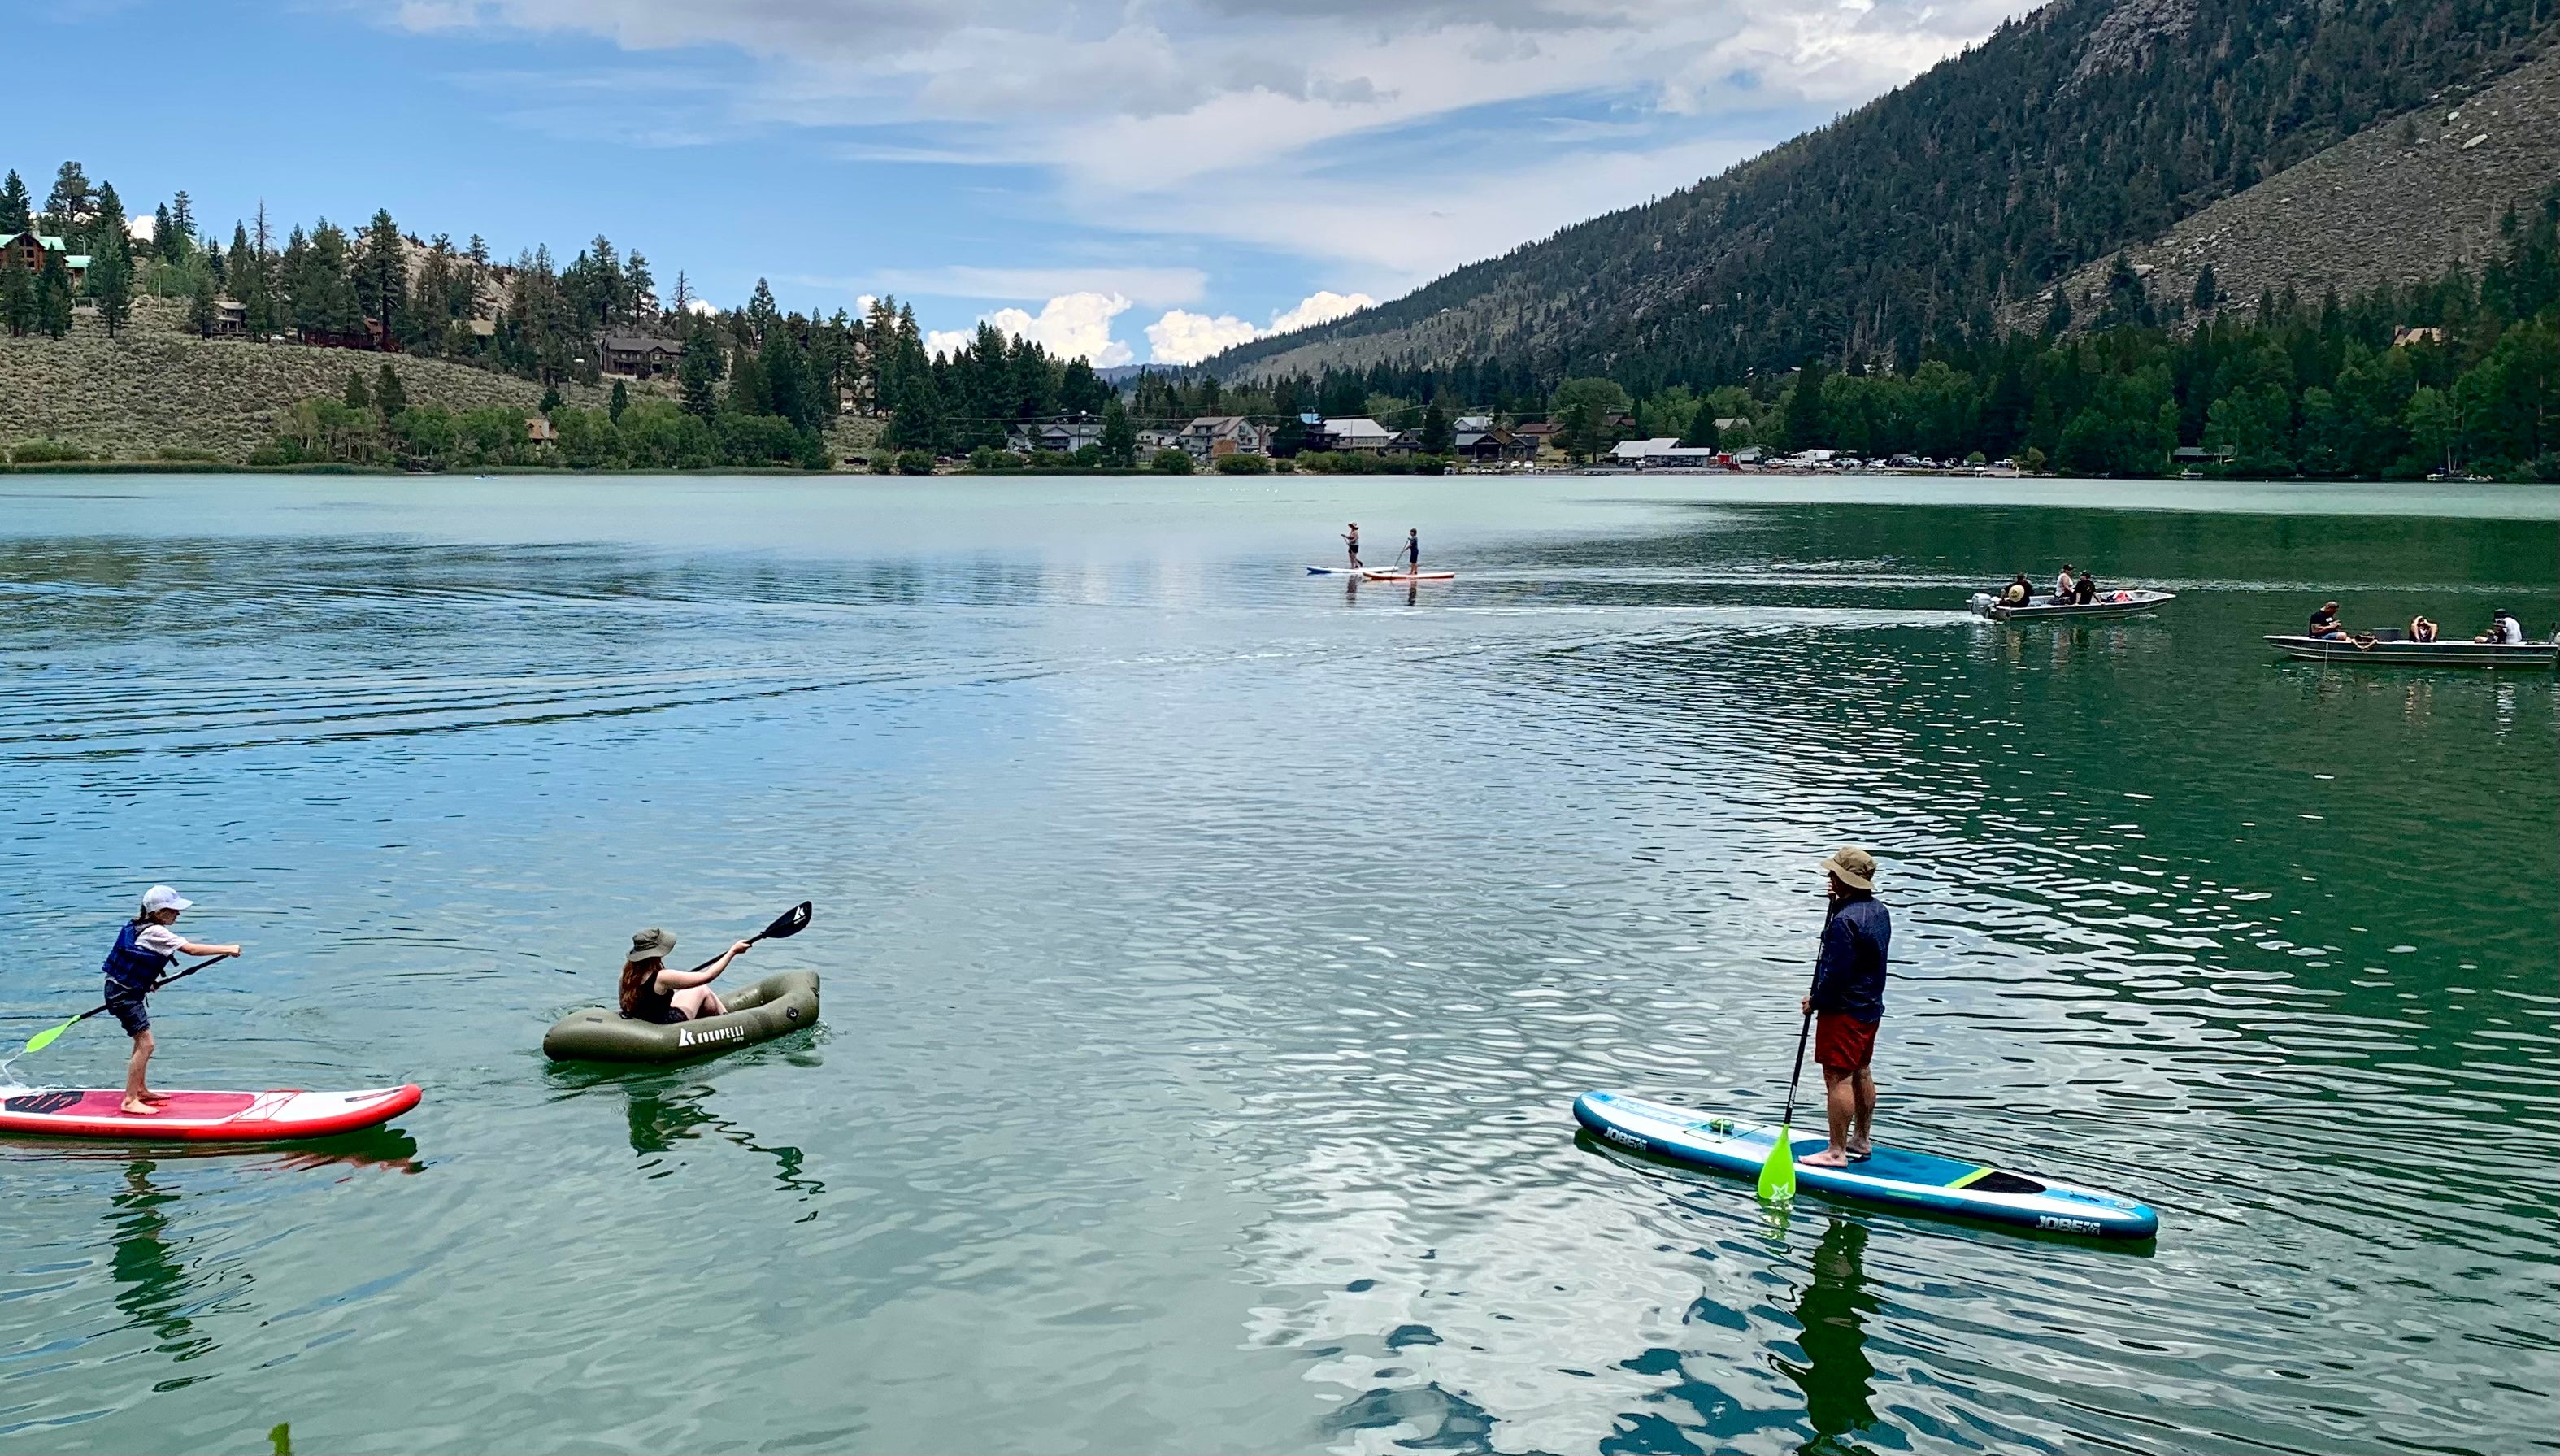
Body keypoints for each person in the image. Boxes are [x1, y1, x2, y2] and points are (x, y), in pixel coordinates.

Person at [101, 886, 241, 1115]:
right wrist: (227, 949)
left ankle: (141, 1089)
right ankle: (129, 1100)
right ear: (159, 912)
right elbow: (191, 950)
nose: (178, 914)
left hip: (126, 989)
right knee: (147, 1043)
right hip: (123, 994)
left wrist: (147, 982)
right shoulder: (156, 932)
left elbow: (135, 961)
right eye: (173, 910)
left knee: (140, 1042)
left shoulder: (139, 927)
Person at [1799, 847, 1890, 1169]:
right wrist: (1837, 904)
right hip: (1869, 1008)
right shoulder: (1878, 910)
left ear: (1844, 879)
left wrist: (1816, 1001)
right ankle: (1861, 1139)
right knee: (1861, 1069)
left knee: (1837, 1078)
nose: (1829, 877)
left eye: (1834, 873)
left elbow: (1836, 973)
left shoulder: (1844, 922)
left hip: (1843, 1012)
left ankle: (1836, 1151)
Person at [618, 928, 750, 1024]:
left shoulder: (627, 974)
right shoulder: (663, 977)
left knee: (690, 991)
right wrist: (732, 952)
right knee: (702, 988)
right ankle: (730, 1022)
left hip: (646, 1019)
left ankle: (724, 1017)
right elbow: (708, 976)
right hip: (665, 1023)